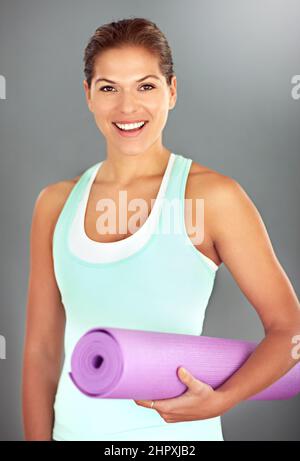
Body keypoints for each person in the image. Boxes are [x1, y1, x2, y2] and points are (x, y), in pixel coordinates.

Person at [22, 17, 300, 441]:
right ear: (88, 96)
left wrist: (223, 399)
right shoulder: (55, 203)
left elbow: (291, 331)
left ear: (172, 91)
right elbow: (40, 353)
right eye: (109, 88)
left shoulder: (213, 198)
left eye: (146, 86)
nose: (127, 107)